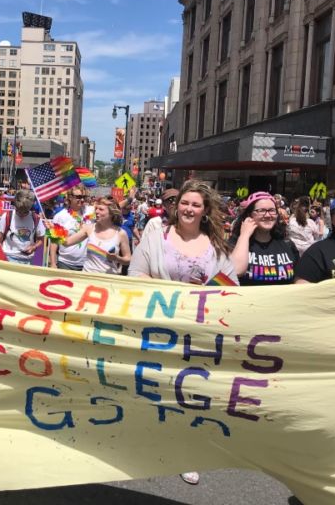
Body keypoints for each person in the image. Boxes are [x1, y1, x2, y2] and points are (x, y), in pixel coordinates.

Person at [128, 179, 236, 486]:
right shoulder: (156, 237)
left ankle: (185, 452)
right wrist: (174, 290)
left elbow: (231, 284)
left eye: (196, 205)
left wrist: (207, 293)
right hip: (161, 327)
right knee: (156, 385)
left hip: (199, 333)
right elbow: (135, 274)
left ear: (205, 210)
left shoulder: (215, 245)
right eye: (185, 203)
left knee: (190, 392)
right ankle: (149, 445)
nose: (189, 209)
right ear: (178, 207)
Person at [230, 191, 299, 285]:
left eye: (271, 210)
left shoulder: (287, 244)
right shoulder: (235, 243)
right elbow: (236, 270)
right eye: (261, 210)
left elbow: (298, 280)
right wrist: (244, 235)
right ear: (249, 215)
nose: (267, 215)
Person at [61, 198, 131, 274]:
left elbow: (128, 260)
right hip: (88, 276)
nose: (96, 211)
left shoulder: (121, 233)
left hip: (108, 279)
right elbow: (66, 242)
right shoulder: (89, 228)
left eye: (101, 209)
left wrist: (117, 258)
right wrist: (53, 230)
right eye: (96, 209)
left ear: (111, 213)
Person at [0, 190, 45, 265]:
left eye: (25, 212)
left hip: (27, 261)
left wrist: (33, 247)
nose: (21, 214)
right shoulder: (7, 216)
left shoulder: (36, 218)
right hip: (8, 258)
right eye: (18, 211)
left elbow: (41, 239)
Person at [49, 186, 89, 271]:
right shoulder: (60, 216)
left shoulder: (90, 211)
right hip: (65, 263)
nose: (82, 200)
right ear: (70, 197)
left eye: (84, 197)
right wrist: (53, 263)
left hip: (86, 265)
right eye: (78, 197)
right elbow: (54, 242)